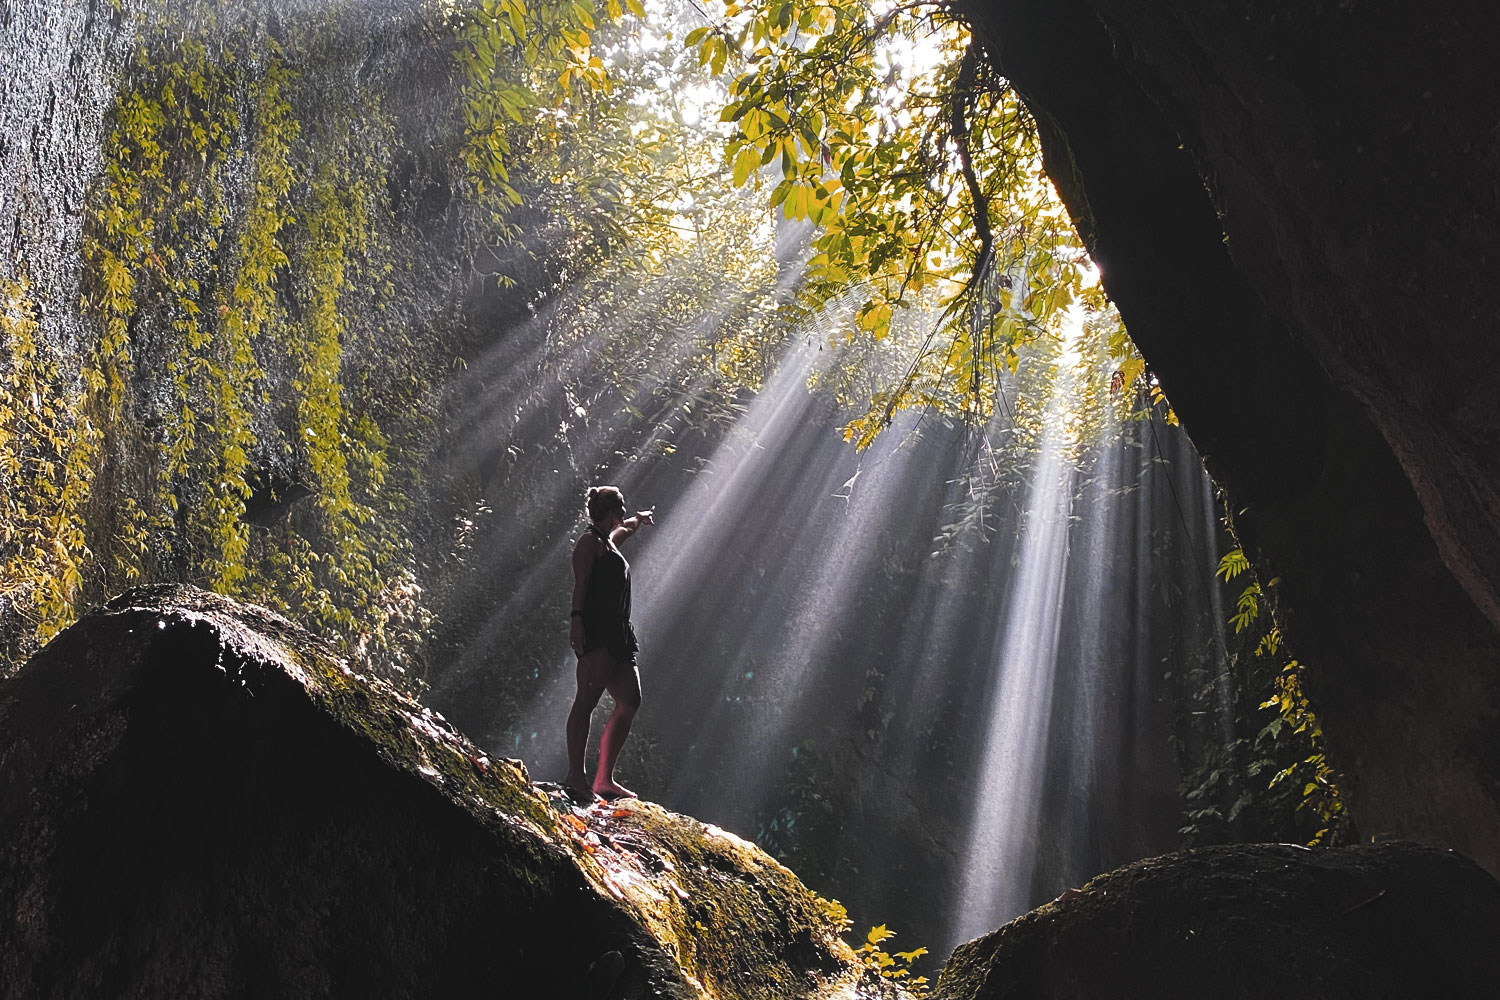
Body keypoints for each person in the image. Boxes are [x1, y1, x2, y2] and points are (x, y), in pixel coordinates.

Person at [564, 485, 654, 800]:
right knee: (586, 700)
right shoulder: (590, 542)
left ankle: (604, 779)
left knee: (630, 699)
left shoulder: (609, 542)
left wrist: (639, 520)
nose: (624, 516)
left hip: (619, 633)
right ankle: (576, 777)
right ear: (613, 511)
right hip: (598, 629)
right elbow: (581, 583)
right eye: (623, 511)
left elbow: (625, 529)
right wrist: (576, 621)